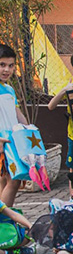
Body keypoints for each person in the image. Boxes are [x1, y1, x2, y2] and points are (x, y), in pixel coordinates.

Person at [0, 45, 28, 207]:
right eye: (2, 65)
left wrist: (29, 132)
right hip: (2, 141)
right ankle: (5, 220)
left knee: (5, 180)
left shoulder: (9, 89)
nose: (7, 70)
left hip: (11, 141)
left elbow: (18, 114)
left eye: (11, 66)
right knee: (14, 179)